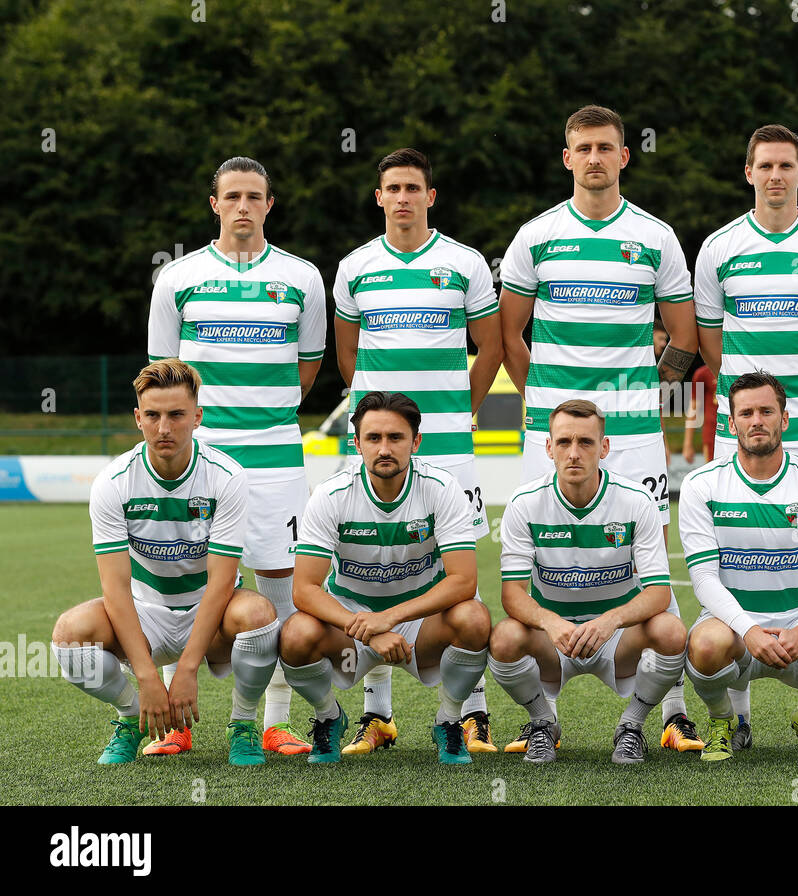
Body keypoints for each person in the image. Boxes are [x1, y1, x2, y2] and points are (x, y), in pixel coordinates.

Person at [498, 104, 703, 751]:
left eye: (604, 147)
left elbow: (685, 336)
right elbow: (508, 334)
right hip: (548, 431)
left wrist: (640, 393)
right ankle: (542, 715)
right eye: (582, 147)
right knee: (541, 552)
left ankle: (669, 714)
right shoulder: (536, 235)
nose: (593, 157)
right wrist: (548, 402)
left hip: (637, 431)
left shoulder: (655, 236)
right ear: (567, 158)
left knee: (649, 561)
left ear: (624, 155)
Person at [694, 123, 798, 750]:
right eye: (764, 166)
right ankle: (735, 712)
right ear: (749, 173)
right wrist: (751, 404)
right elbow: (710, 341)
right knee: (735, 554)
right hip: (738, 427)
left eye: (786, 166)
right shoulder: (718, 247)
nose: (775, 176)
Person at [147, 156, 325, 757]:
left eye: (255, 196)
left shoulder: (302, 277)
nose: (244, 206)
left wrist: (266, 410)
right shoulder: (178, 278)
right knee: (186, 581)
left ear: (269, 205)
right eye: (233, 196)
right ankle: (174, 722)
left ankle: (266, 721)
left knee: (278, 586)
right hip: (201, 461)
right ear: (215, 205)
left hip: (277, 458)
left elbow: (307, 367)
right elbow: (165, 374)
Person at [333, 148, 502, 755]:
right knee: (369, 568)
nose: (402, 197)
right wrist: (377, 419)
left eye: (413, 187)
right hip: (382, 444)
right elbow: (349, 361)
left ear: (432, 196)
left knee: (462, 577)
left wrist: (462, 409)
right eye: (392, 188)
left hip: (449, 448)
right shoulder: (354, 268)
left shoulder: (465, 263)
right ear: (378, 197)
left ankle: (471, 714)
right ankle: (377, 713)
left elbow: (489, 348)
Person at [52, 360, 280, 766]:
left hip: (212, 612)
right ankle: (130, 717)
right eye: (153, 416)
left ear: (197, 417)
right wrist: (146, 679)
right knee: (70, 635)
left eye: (176, 415)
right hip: (144, 613)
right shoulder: (114, 481)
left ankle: (243, 725)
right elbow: (115, 589)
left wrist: (188, 666)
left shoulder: (226, 476)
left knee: (260, 615)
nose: (164, 428)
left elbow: (222, 582)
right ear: (138, 418)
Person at [282, 391, 490, 764]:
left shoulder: (441, 489)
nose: (384, 449)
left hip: (418, 628)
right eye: (374, 438)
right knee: (295, 635)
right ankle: (329, 717)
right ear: (356, 443)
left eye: (395, 438)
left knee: (474, 618)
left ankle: (449, 720)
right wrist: (371, 629)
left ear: (416, 441)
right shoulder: (331, 495)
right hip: (352, 630)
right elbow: (304, 589)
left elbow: (463, 581)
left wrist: (390, 618)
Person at [680, 371, 798, 762]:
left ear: (784, 419)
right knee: (702, 645)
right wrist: (749, 630)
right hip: (736, 635)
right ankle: (723, 721)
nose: (757, 421)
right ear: (731, 422)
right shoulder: (702, 484)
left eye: (767, 411)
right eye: (747, 413)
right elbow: (703, 579)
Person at [489, 400, 687, 764]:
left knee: (672, 632)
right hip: (555, 638)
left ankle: (631, 727)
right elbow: (511, 594)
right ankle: (542, 723)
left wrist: (609, 620)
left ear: (605, 447)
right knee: (504, 638)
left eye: (586, 442)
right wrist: (551, 623)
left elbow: (659, 592)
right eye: (563, 442)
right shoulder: (524, 504)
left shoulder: (635, 501)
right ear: (548, 448)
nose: (574, 453)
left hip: (616, 638)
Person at [682, 362, 717, 465]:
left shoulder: (738, 369)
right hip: (712, 435)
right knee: (712, 475)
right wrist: (688, 443)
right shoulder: (703, 374)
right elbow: (693, 409)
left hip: (737, 435)